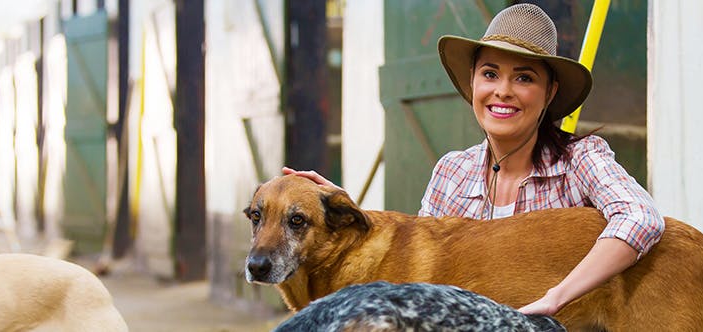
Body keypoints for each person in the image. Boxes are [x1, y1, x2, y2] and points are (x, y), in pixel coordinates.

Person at [283, 3, 664, 316]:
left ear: (550, 92)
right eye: (490, 73)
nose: (503, 91)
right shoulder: (452, 171)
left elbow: (641, 217)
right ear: (473, 83)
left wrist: (558, 295)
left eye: (524, 78)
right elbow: (422, 274)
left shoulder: (580, 159)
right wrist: (345, 211)